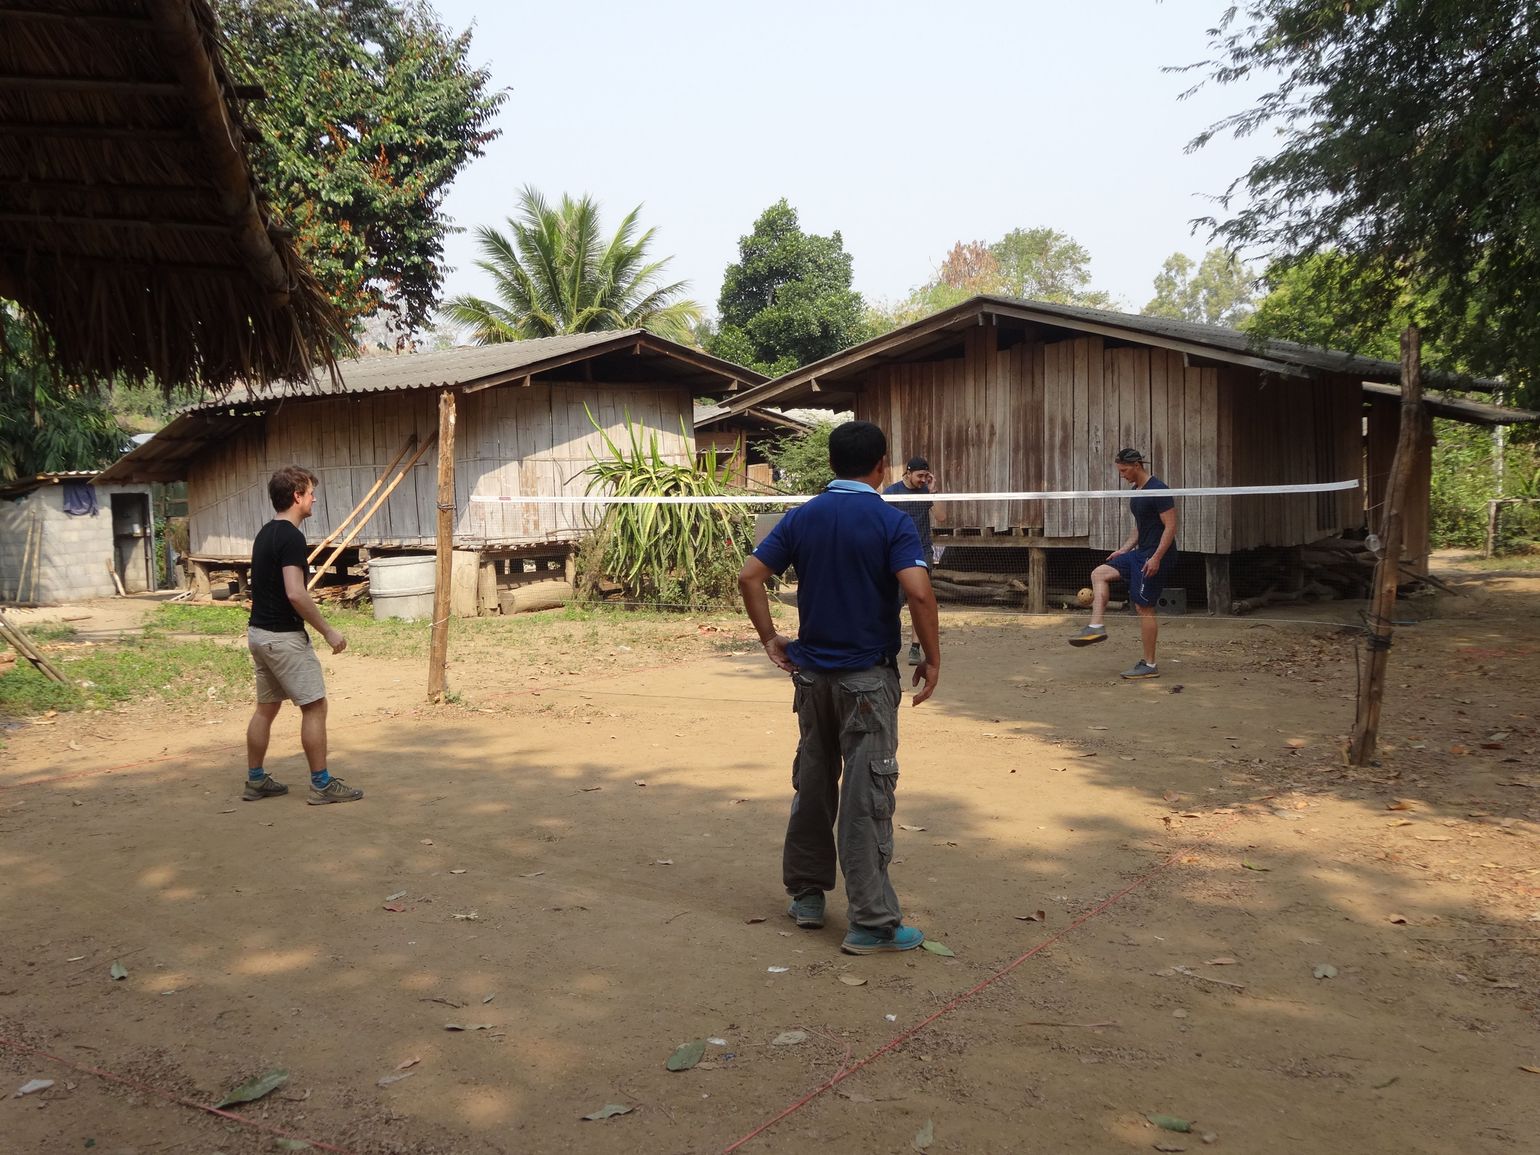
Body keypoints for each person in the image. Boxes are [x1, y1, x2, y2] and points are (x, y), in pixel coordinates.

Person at [739, 421, 940, 955]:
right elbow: (919, 595)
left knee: (814, 780)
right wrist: (933, 658)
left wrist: (770, 639)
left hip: (812, 679)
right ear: (881, 467)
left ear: (831, 463)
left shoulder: (801, 517)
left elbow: (750, 577)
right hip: (866, 681)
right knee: (865, 795)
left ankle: (806, 896)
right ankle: (872, 921)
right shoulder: (890, 520)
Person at [243, 466, 363, 804]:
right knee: (315, 707)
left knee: (265, 708)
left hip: (258, 634)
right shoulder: (292, 537)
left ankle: (255, 780)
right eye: (310, 492)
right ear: (297, 496)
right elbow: (296, 593)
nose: (314, 498)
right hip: (283, 639)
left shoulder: (265, 533)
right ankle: (322, 784)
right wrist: (328, 631)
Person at [1067, 448, 1178, 679]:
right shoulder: (1136, 490)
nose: (1122, 474)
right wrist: (1124, 549)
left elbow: (1170, 526)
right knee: (1100, 573)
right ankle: (1096, 627)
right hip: (1139, 553)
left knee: (1143, 608)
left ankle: (1149, 664)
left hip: (1157, 555)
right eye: (1119, 470)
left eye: (1124, 470)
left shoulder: (1159, 490)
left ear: (1137, 466)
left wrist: (1156, 557)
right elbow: (1140, 526)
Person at [883, 455, 936, 666]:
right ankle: (888, 644)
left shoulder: (927, 491)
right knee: (892, 602)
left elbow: (941, 517)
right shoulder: (892, 492)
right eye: (919, 475)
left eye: (926, 475)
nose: (923, 479)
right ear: (908, 472)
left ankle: (915, 647)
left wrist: (933, 492)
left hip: (922, 551)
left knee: (919, 601)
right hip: (895, 553)